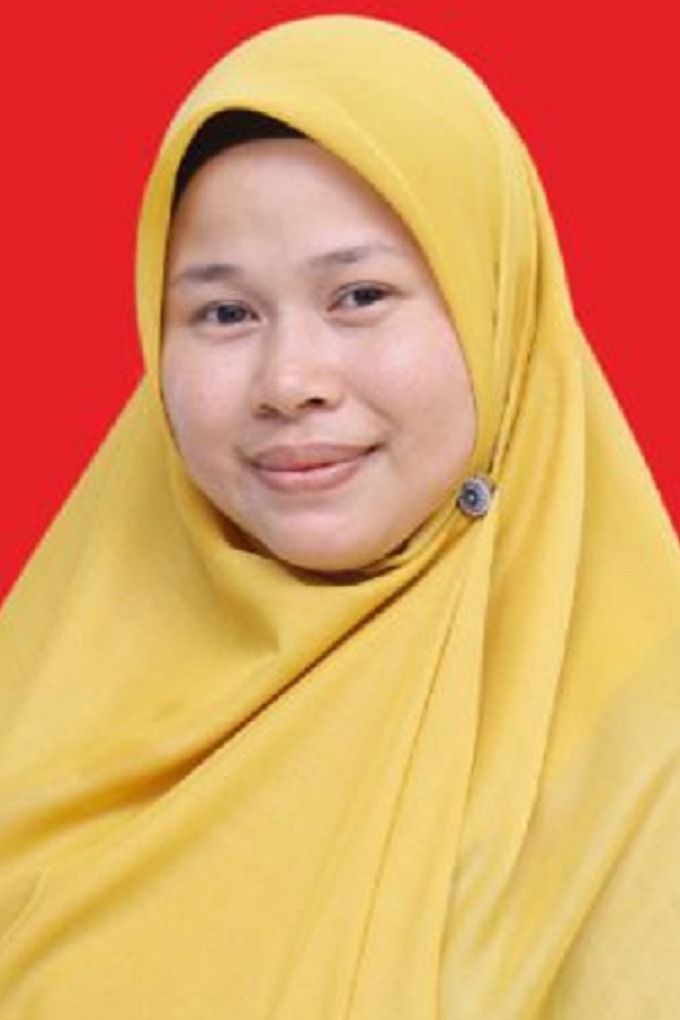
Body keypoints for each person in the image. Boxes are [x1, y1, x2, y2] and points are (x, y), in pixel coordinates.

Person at [0, 14, 678, 1018]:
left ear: (496, 309)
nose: (289, 381)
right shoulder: (48, 675)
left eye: (359, 295)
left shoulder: (647, 752)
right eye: (225, 313)